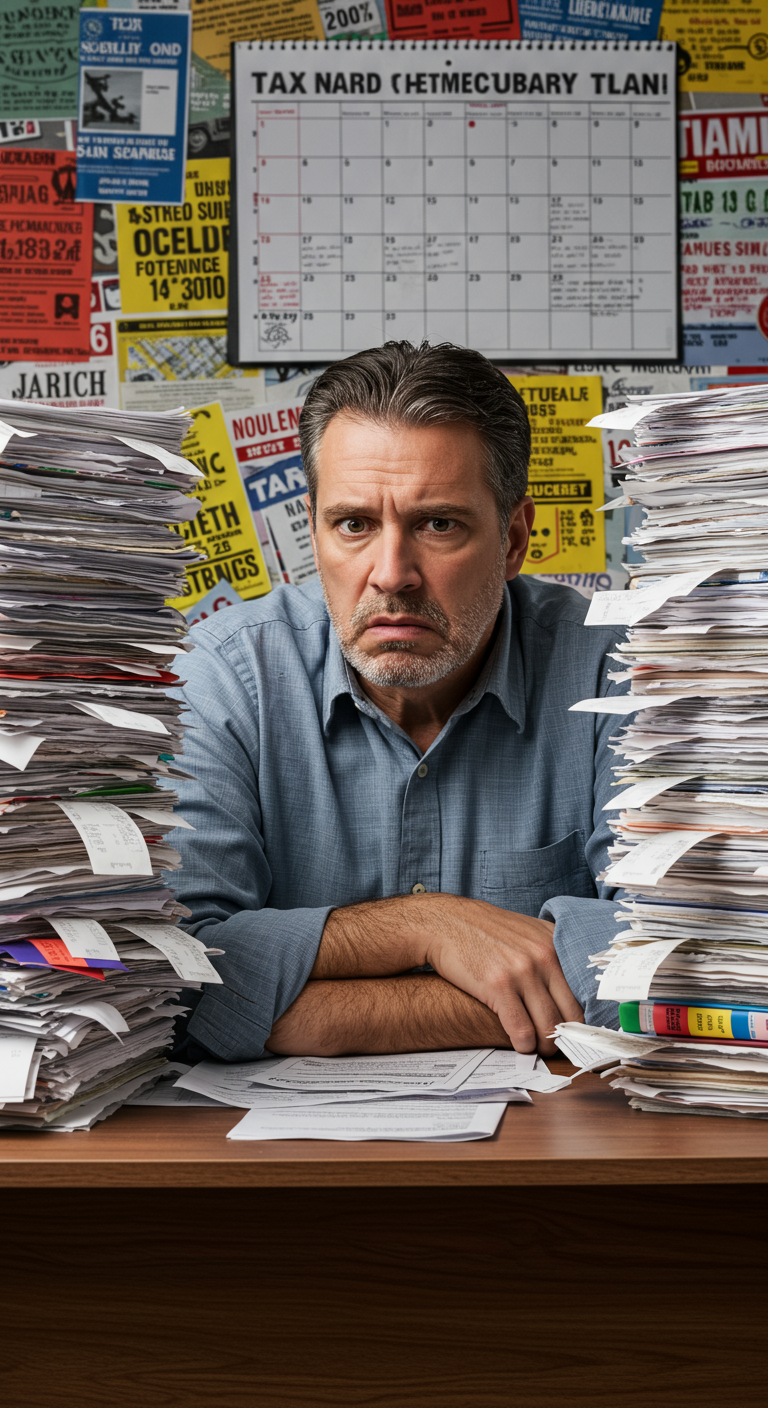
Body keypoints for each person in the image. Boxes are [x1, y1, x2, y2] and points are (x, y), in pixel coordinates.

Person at [169, 342, 626, 1064]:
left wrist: (315, 1018)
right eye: (353, 524)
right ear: (313, 530)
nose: (392, 575)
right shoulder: (225, 676)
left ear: (512, 539)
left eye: (438, 524)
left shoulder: (615, 670)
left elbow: (673, 957)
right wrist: (427, 926)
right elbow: (177, 972)